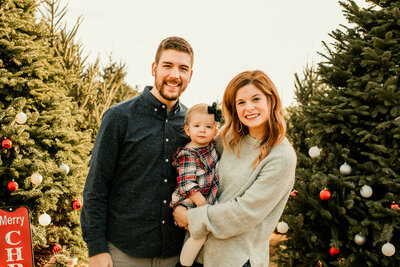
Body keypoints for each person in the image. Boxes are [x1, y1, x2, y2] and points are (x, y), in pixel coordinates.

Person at [80, 36, 194, 267]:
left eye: (183, 68)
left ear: (191, 75)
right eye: (168, 66)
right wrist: (96, 248)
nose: (175, 75)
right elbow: (96, 187)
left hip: (176, 255)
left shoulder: (192, 124)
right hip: (123, 253)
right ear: (154, 69)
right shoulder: (119, 117)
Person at [173, 70, 297, 267]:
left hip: (235, 259)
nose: (249, 108)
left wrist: (191, 218)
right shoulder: (229, 137)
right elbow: (197, 161)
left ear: (271, 100)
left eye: (256, 99)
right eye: (241, 102)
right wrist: (183, 199)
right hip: (198, 252)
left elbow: (244, 213)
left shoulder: (281, 157)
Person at [169, 103, 221, 266]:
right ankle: (186, 262)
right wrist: (203, 206)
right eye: (197, 126)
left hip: (205, 200)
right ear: (188, 130)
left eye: (208, 127)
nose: (202, 130)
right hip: (191, 202)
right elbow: (188, 185)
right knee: (201, 233)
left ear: (215, 132)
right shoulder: (188, 154)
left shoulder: (210, 146)